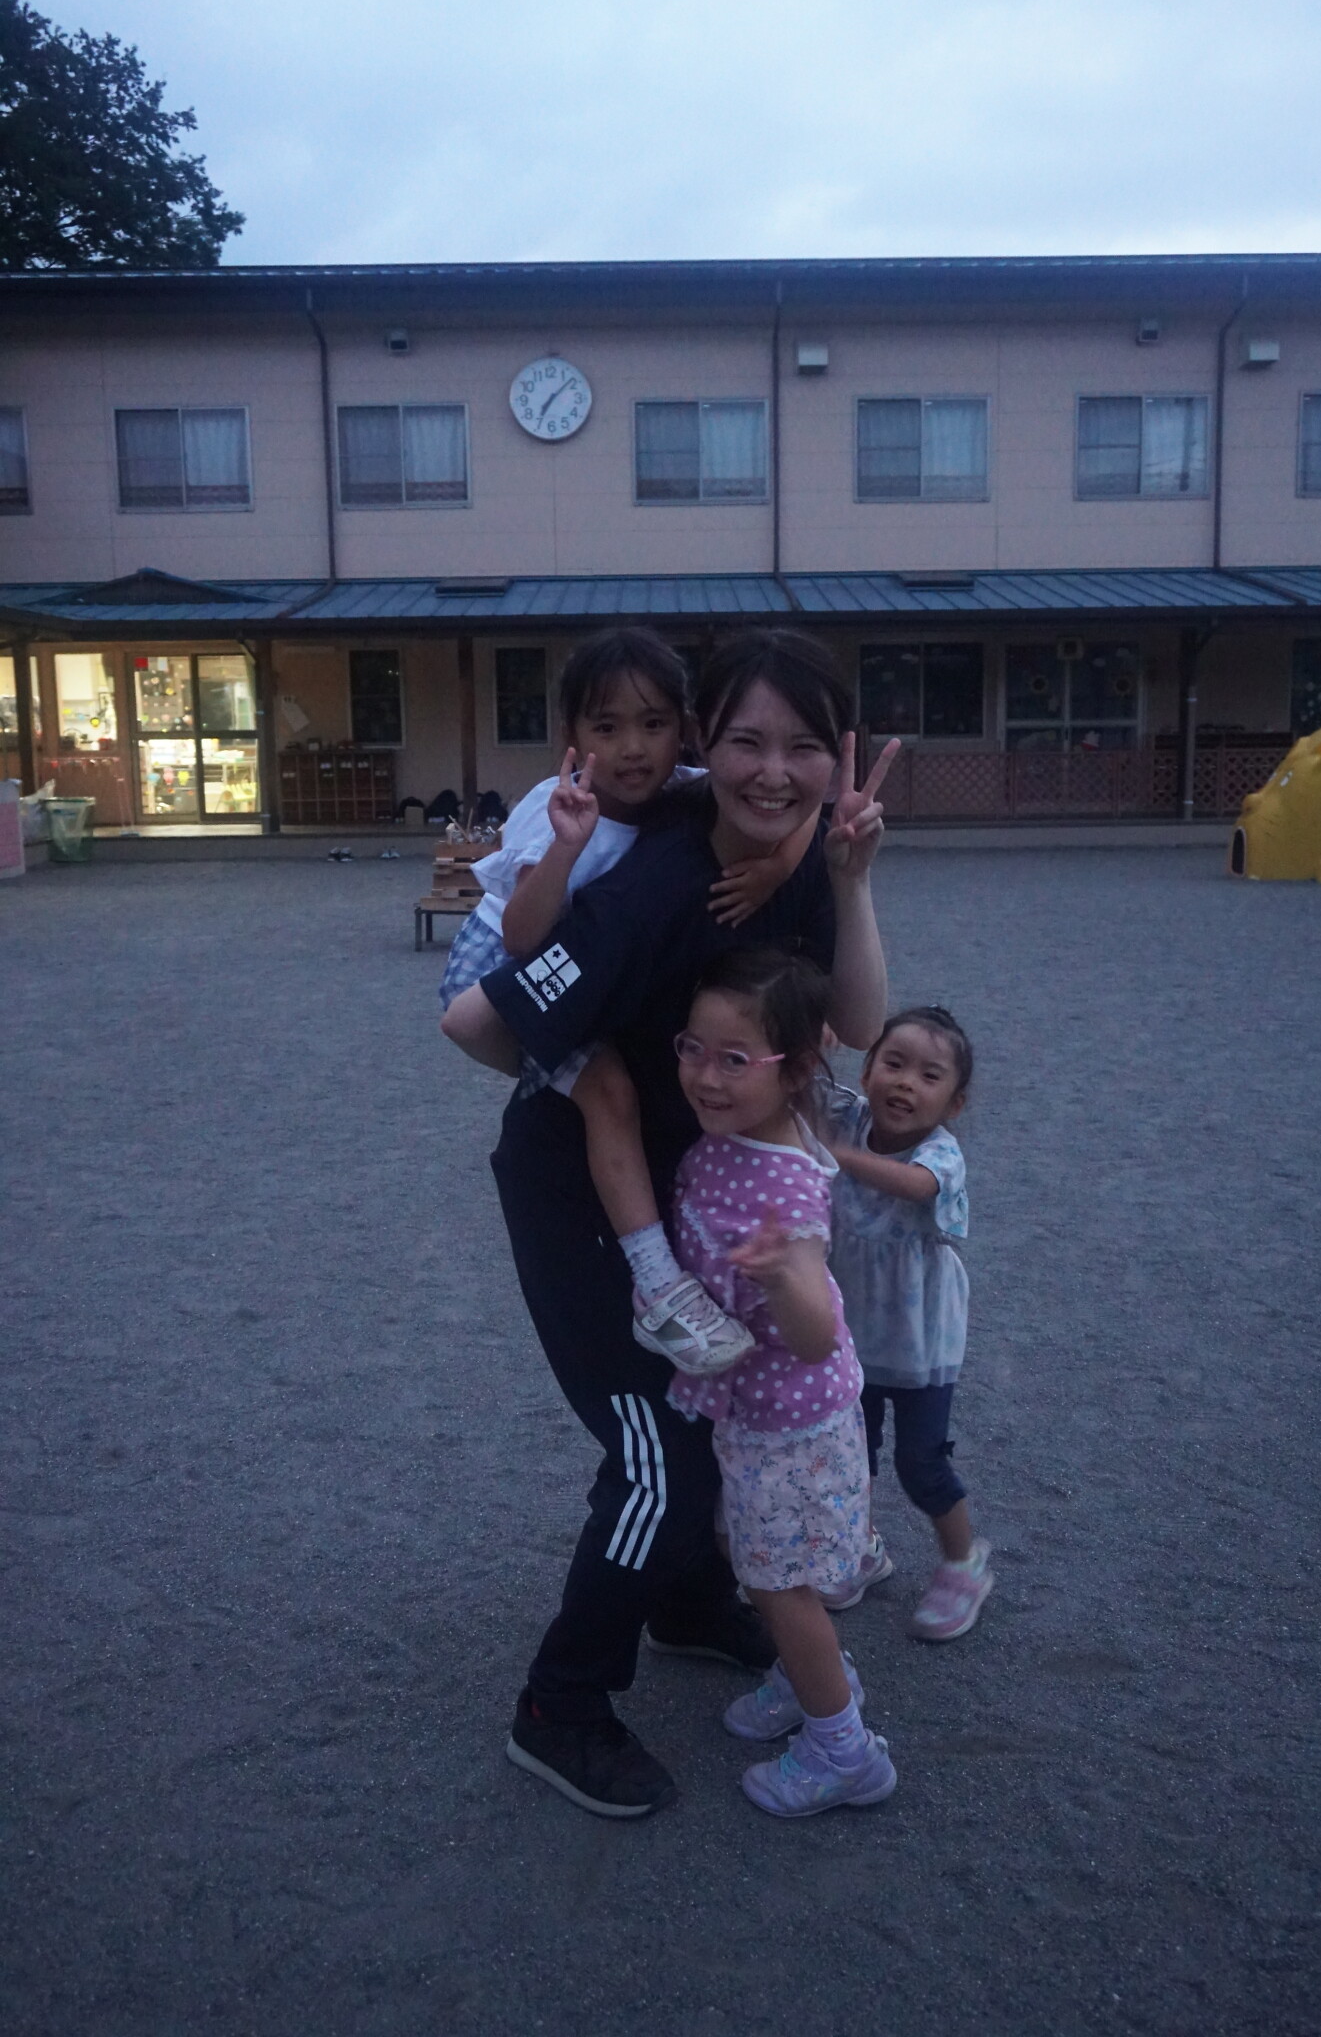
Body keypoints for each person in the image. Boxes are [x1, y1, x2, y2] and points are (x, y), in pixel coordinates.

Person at [441, 628, 897, 1818]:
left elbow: (855, 1023)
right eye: (746, 741)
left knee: (713, 1409)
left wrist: (842, 873)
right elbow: (480, 1021)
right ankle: (561, 1705)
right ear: (708, 742)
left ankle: (687, 1599)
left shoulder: (806, 846)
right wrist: (587, 1079)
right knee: (661, 1450)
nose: (773, 771)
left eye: (803, 746)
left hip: (690, 1187)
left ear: (837, 752)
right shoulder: (646, 886)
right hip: (579, 1192)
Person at [441, 627, 811, 1370]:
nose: (634, 748)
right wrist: (567, 847)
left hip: (578, 977)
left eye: (653, 724)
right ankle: (659, 1286)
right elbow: (520, 938)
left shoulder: (687, 790)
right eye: (606, 728)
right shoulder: (556, 807)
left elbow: (798, 811)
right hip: (499, 971)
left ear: (686, 728)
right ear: (573, 735)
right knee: (608, 1092)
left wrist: (775, 869)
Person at [667, 947, 898, 1817]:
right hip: (754, 1413)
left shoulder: (785, 1193)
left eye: (735, 1059)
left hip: (791, 1422)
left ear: (793, 1070)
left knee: (778, 1582)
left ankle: (844, 1750)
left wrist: (779, 1278)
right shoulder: (753, 1128)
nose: (706, 1076)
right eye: (693, 1049)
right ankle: (811, 1677)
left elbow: (814, 1336)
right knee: (754, 1558)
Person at [815, 1006, 994, 1640]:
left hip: (921, 1342)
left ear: (954, 1102)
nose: (905, 1083)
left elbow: (915, 1187)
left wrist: (836, 1156)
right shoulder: (847, 1116)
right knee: (849, 1458)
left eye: (929, 1075)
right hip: (850, 1335)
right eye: (893, 1063)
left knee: (922, 1463)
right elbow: (798, 1087)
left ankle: (964, 1563)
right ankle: (859, 1549)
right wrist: (813, 1036)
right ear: (866, 1071)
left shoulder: (940, 1154)